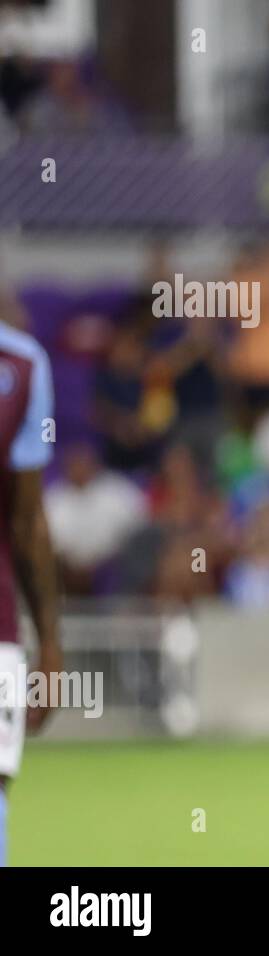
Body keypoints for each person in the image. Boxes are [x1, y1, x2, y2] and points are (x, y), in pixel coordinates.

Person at [0, 320, 62, 867]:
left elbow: (27, 524)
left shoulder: (20, 363)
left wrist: (49, 646)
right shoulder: (21, 363)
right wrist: (51, 645)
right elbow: (27, 522)